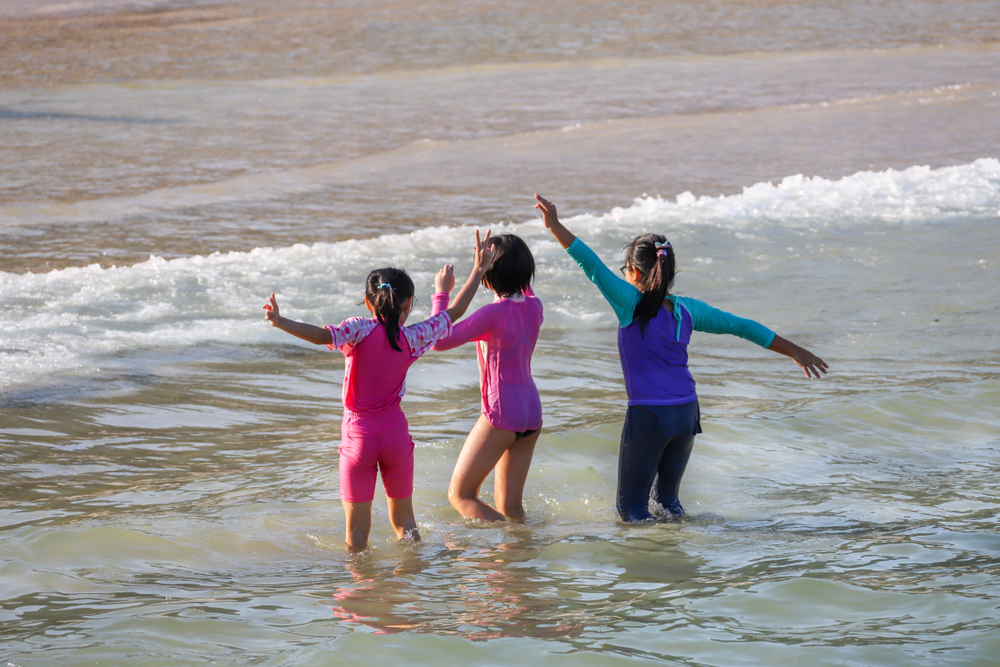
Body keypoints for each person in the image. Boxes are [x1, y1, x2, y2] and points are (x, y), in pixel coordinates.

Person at [534, 194, 828, 522]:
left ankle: (652, 567)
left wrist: (556, 226)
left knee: (631, 508)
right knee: (667, 503)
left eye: (624, 270)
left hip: (650, 414)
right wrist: (795, 351)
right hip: (686, 412)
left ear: (632, 271)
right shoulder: (689, 309)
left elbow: (590, 265)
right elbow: (741, 326)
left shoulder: (629, 302)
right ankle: (681, 556)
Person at [263, 230, 496, 550]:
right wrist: (478, 270)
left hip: (358, 436)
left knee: (357, 535)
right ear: (408, 304)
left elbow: (320, 336)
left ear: (370, 300)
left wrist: (280, 321)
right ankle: (411, 585)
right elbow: (453, 313)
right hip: (395, 437)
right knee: (406, 525)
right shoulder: (413, 337)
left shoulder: (357, 330)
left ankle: (362, 592)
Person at [430, 233, 543, 522]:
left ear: (488, 276)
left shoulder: (492, 315)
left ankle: (501, 550)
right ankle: (518, 558)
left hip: (502, 412)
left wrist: (442, 293)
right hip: (531, 411)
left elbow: (438, 340)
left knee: (461, 495)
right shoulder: (535, 306)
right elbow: (518, 279)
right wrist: (490, 266)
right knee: (512, 509)